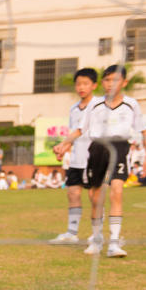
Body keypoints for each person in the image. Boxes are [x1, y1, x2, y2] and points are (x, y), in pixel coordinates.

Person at [80, 65, 146, 257]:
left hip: (119, 147)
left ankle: (114, 242)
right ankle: (96, 239)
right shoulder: (94, 105)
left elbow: (144, 131)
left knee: (117, 191)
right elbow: (80, 129)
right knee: (95, 197)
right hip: (97, 148)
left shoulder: (131, 104)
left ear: (124, 82)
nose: (110, 84)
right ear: (102, 83)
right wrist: (64, 145)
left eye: (115, 80)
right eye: (107, 79)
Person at [49, 67, 98, 246]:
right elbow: (74, 134)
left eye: (85, 83)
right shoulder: (74, 109)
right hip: (77, 158)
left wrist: (63, 144)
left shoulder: (99, 105)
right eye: (78, 84)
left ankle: (96, 233)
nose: (81, 87)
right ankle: (72, 232)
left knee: (94, 195)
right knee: (72, 193)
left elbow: (82, 130)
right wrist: (64, 149)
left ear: (94, 85)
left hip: (94, 158)